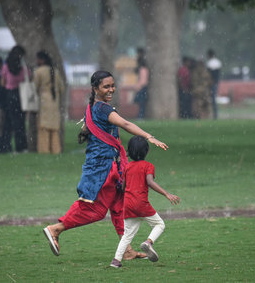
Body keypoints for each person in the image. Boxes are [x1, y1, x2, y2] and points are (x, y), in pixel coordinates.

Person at [43, 71, 168, 259]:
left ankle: (126, 250)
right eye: (106, 87)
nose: (111, 90)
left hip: (113, 166)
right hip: (104, 168)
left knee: (120, 206)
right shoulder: (103, 109)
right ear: (95, 89)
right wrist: (148, 136)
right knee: (95, 210)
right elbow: (125, 124)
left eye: (112, 85)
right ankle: (56, 229)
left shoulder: (93, 107)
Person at [110, 136, 180, 268]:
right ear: (146, 151)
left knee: (127, 235)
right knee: (160, 224)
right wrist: (166, 193)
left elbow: (124, 187)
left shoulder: (128, 167)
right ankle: (148, 242)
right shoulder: (148, 166)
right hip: (141, 204)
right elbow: (150, 182)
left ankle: (116, 261)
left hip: (128, 204)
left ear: (129, 151)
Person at [34, 51, 64, 154]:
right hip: (55, 101)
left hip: (44, 100)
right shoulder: (55, 71)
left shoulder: (38, 71)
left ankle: (44, 150)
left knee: (43, 128)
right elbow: (62, 88)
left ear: (42, 60)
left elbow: (35, 87)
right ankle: (56, 150)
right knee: (54, 128)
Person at [1, 45, 29, 153]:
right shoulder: (23, 68)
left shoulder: (6, 66)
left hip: (9, 95)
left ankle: (7, 146)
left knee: (9, 122)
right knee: (20, 122)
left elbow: (3, 82)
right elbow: (28, 78)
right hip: (20, 95)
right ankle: (21, 146)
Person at [134, 48, 149, 119]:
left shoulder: (142, 68)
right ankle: (140, 116)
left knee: (141, 103)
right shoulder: (143, 67)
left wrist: (138, 87)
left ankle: (141, 116)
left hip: (142, 87)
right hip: (142, 87)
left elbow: (143, 80)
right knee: (141, 103)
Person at [206, 49, 222, 120]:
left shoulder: (209, 63)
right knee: (213, 99)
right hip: (216, 83)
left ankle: (214, 116)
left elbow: (210, 75)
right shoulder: (218, 62)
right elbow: (218, 75)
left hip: (211, 83)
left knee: (212, 99)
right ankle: (214, 115)